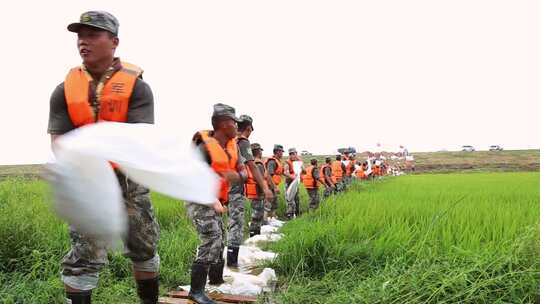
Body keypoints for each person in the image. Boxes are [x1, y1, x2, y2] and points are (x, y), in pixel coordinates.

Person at [48, 11, 160, 304]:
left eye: (92, 35)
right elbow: (59, 140)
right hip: (87, 179)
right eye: (80, 36)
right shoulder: (64, 90)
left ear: (114, 42)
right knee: (83, 253)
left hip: (128, 178)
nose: (83, 42)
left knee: (143, 246)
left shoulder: (137, 87)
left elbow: (138, 140)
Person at [187, 103, 247, 304]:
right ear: (223, 124)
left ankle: (216, 280)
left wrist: (237, 175)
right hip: (199, 199)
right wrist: (213, 201)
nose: (237, 127)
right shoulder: (204, 146)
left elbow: (243, 171)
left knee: (220, 238)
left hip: (217, 201)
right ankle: (196, 292)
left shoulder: (233, 146)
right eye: (234, 123)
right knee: (212, 237)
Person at [226, 115, 272, 268]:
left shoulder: (228, 140)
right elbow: (252, 166)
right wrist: (266, 188)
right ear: (249, 128)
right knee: (236, 225)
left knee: (224, 225)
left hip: (222, 189)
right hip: (234, 189)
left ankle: (219, 264)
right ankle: (232, 265)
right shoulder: (243, 142)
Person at [245, 143, 272, 237]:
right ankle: (254, 236)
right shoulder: (258, 164)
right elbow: (259, 179)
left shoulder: (251, 162)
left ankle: (255, 234)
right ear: (259, 151)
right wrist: (265, 191)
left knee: (256, 215)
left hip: (253, 192)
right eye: (261, 151)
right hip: (257, 193)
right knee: (257, 216)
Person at [264, 145, 285, 219]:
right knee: (268, 204)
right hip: (269, 186)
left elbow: (281, 172)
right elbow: (268, 176)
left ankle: (272, 219)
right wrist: (275, 187)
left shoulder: (277, 161)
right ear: (277, 152)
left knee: (274, 203)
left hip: (273, 185)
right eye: (281, 152)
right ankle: (264, 221)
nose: (282, 153)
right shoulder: (272, 162)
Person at [284, 148, 304, 219]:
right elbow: (285, 172)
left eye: (293, 153)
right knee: (290, 199)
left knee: (296, 198)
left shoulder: (299, 162)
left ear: (296, 153)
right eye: (290, 154)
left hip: (296, 183)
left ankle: (297, 213)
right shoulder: (287, 162)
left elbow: (304, 171)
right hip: (289, 183)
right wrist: (293, 177)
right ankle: (290, 214)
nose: (292, 155)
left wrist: (302, 169)